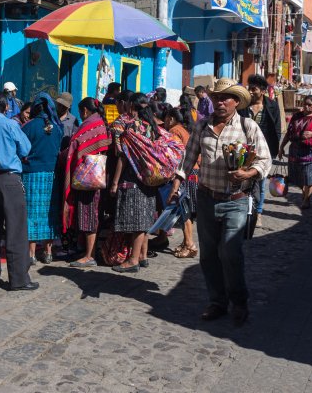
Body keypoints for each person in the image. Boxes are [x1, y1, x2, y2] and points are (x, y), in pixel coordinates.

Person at [183, 78, 271, 326]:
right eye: (217, 97)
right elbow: (188, 159)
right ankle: (217, 302)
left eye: (226, 98)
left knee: (231, 252)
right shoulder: (202, 127)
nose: (220, 102)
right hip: (206, 198)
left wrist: (248, 173)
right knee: (209, 255)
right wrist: (177, 183)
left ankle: (239, 301)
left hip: (237, 200)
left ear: (236, 102)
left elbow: (264, 160)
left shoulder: (248, 126)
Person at [0, 91, 37, 291]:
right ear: (7, 107)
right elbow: (25, 149)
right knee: (16, 230)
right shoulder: (11, 125)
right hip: (10, 180)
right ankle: (19, 279)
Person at [108, 93, 160, 273]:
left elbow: (122, 156)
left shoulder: (130, 128)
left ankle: (133, 260)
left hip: (132, 177)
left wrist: (114, 182)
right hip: (149, 178)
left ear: (130, 105)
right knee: (144, 218)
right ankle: (143, 256)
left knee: (136, 221)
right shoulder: (151, 127)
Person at [64, 97, 111, 268]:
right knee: (92, 214)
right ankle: (87, 251)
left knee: (89, 214)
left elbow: (77, 147)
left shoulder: (90, 124)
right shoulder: (101, 122)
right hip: (99, 176)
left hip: (88, 178)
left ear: (84, 110)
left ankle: (89, 255)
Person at [20, 93, 64, 264]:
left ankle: (31, 254)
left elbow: (21, 150)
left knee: (31, 213)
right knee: (49, 214)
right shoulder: (57, 128)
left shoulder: (28, 127)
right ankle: (48, 252)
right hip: (51, 176)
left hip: (31, 175)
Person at [240, 74, 282, 220]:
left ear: (263, 91)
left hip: (264, 149)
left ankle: (258, 212)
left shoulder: (272, 105)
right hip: (244, 150)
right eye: (249, 88)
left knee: (261, 181)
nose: (250, 92)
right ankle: (244, 209)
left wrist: (274, 150)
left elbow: (276, 128)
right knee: (243, 180)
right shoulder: (243, 106)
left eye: (254, 89)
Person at [278, 95, 312, 209]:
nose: (306, 107)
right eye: (305, 104)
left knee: (310, 177)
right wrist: (282, 146)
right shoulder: (296, 116)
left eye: (310, 105)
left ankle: (306, 199)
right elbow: (289, 133)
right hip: (295, 152)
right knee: (297, 177)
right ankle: (304, 192)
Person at [163, 108, 198, 259]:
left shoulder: (174, 131)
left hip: (185, 174)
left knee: (185, 210)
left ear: (170, 118)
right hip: (193, 173)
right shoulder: (183, 130)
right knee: (186, 209)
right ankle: (186, 243)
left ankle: (190, 244)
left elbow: (175, 156)